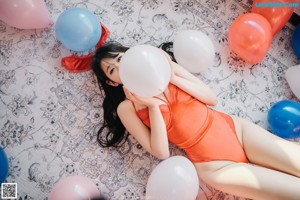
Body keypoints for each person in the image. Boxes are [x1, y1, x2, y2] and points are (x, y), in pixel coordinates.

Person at [92, 41, 300, 200]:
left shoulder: (167, 69)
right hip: (216, 166)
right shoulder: (126, 108)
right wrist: (152, 106)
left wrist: (170, 75)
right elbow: (161, 152)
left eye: (120, 59)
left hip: (235, 131)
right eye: (112, 70)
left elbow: (211, 99)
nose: (121, 67)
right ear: (112, 82)